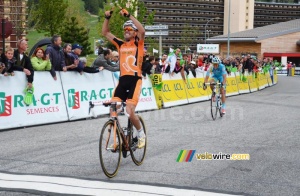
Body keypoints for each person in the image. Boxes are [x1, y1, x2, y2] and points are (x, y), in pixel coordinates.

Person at [102, 7, 146, 148]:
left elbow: (143, 30)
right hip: (122, 81)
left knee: (129, 110)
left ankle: (140, 134)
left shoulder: (138, 43)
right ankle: (118, 136)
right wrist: (107, 18)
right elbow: (105, 32)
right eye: (125, 30)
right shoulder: (120, 44)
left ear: (134, 32)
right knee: (113, 107)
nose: (126, 31)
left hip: (135, 81)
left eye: (129, 30)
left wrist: (130, 16)